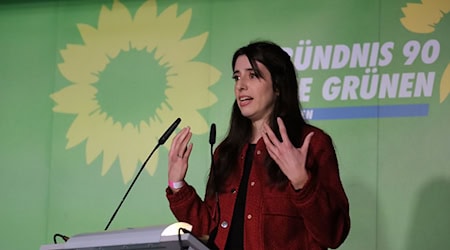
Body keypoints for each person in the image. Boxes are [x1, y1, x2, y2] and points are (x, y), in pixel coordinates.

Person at [166, 41, 350, 250]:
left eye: (252, 75)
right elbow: (207, 229)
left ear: (278, 86)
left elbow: (333, 234)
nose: (240, 85)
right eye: (237, 77)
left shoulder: (310, 143)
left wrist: (302, 181)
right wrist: (177, 184)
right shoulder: (226, 153)